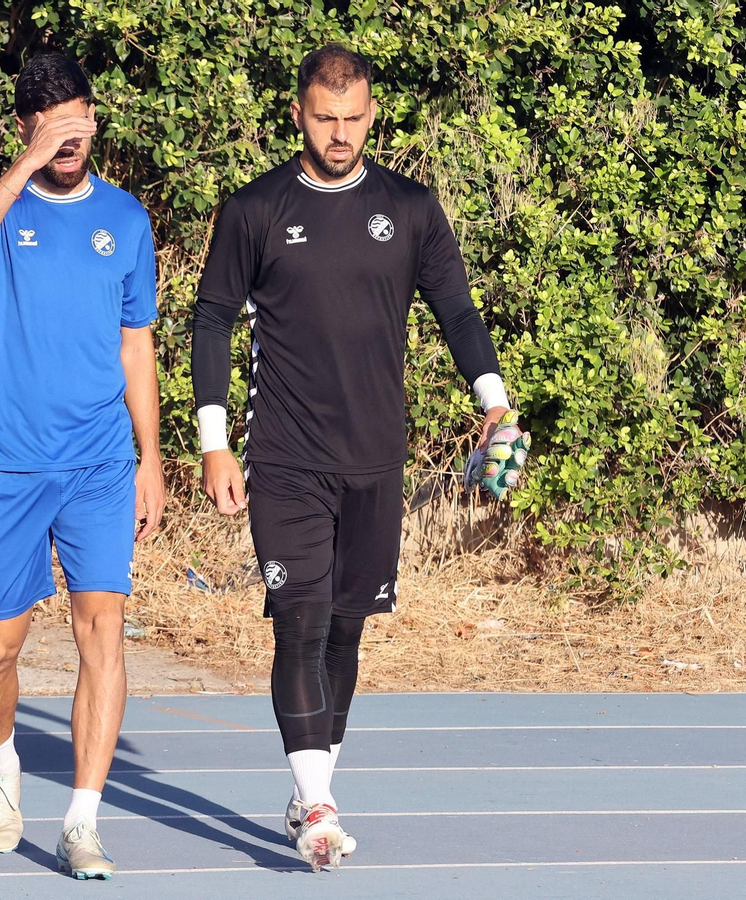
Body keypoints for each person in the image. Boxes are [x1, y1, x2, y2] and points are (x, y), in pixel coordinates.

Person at [191, 45, 527, 871]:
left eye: (353, 119)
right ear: (298, 115)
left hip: (376, 460)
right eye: (324, 118)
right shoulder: (256, 208)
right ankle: (320, 808)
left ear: (372, 115)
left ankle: (312, 784)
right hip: (285, 459)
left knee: (345, 633)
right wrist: (213, 443)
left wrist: (495, 403)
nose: (339, 134)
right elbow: (212, 320)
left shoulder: (410, 208)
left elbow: (456, 309)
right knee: (298, 623)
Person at [0, 51, 166, 881]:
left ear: (95, 118)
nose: (71, 134)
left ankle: (82, 820)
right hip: (10, 463)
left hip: (102, 461)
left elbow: (135, 345)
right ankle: (2, 777)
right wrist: (24, 164)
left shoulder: (126, 220)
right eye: (53, 121)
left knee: (101, 632)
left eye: (81, 116)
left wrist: (152, 457)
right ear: (30, 127)